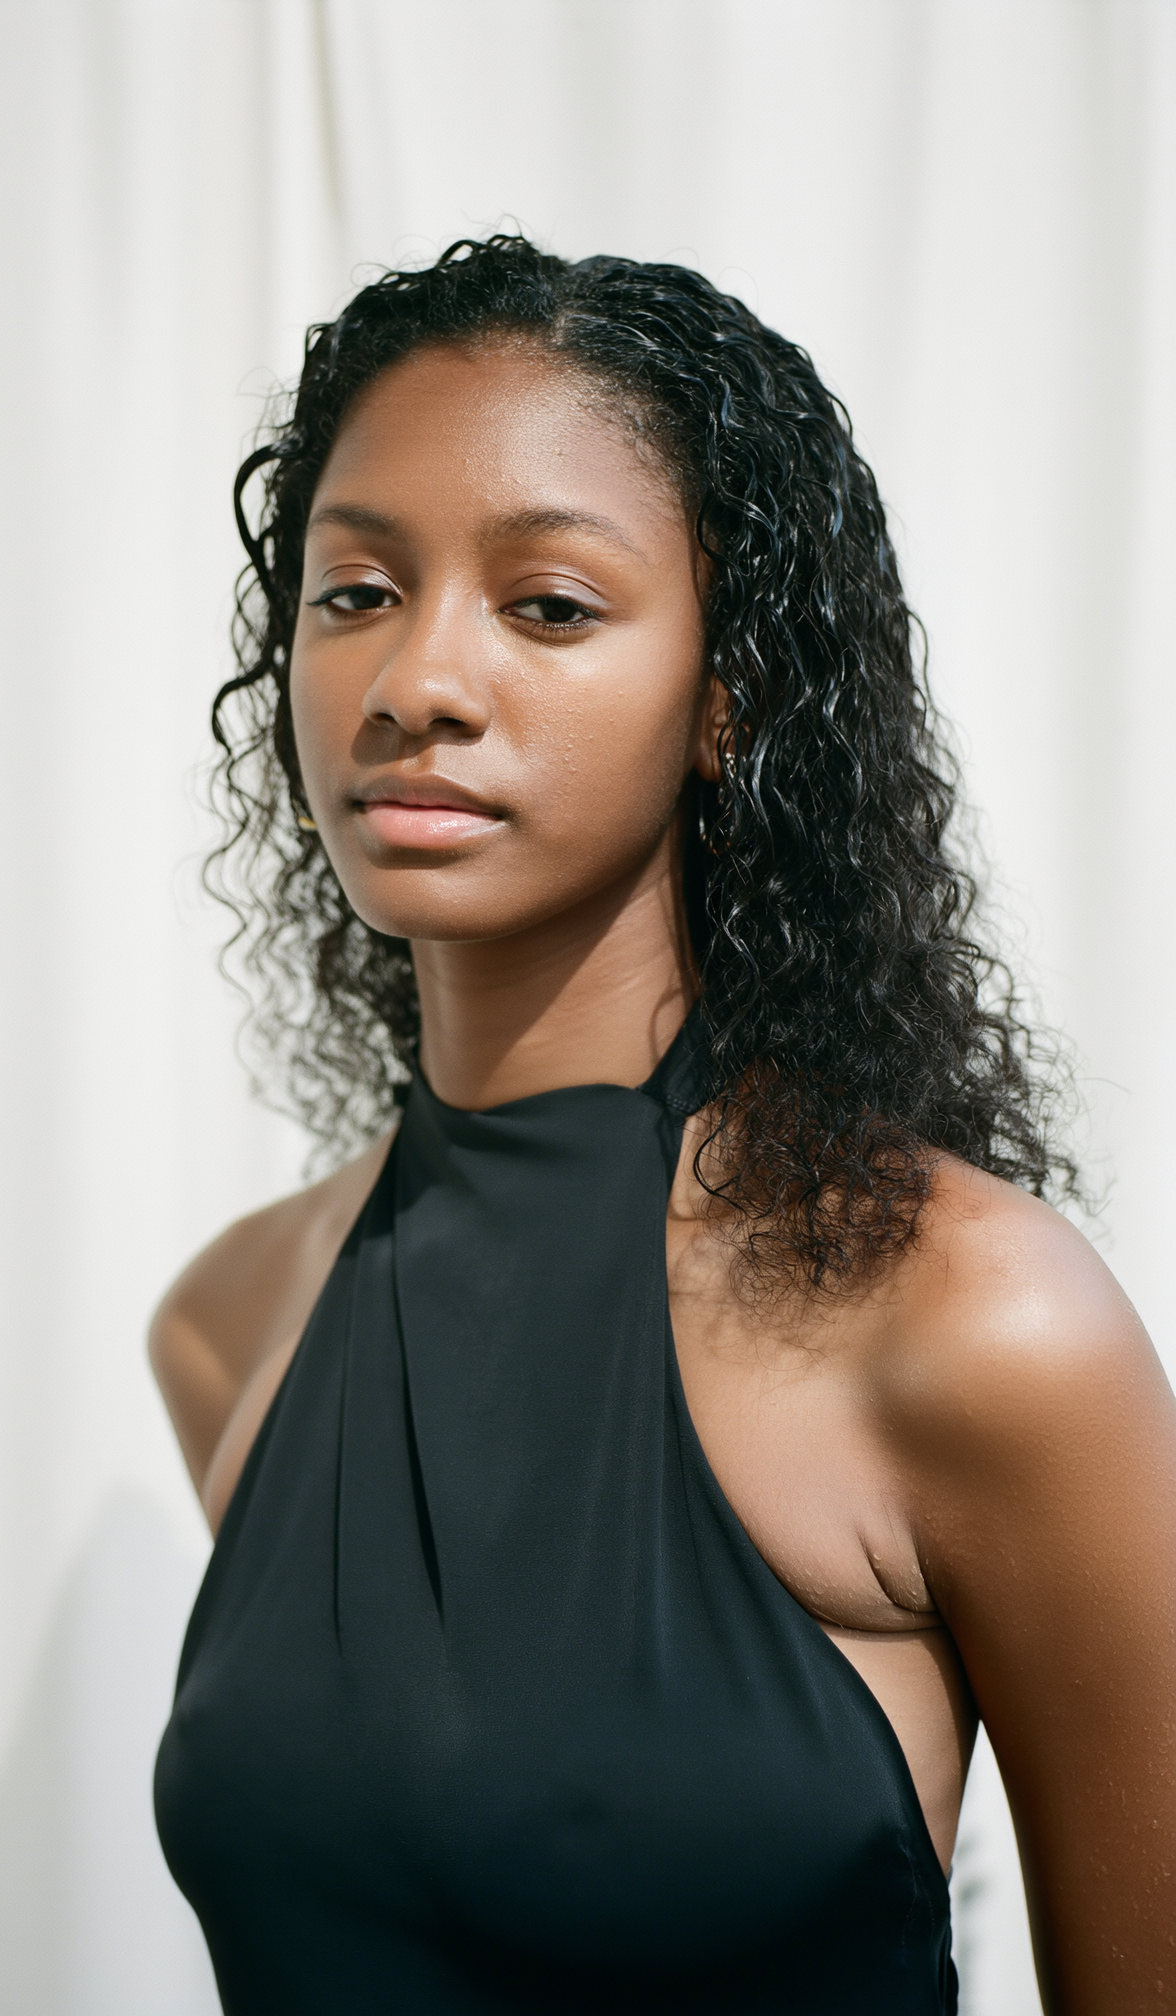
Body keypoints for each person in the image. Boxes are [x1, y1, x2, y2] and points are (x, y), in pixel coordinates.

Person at [150, 237, 1176, 2013]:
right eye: (355, 591)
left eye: (549, 605)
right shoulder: (231, 1326)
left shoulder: (975, 1323)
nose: (415, 683)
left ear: (729, 695)